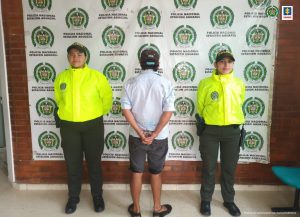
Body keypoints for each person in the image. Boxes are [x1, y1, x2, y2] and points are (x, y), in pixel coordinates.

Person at [54, 42, 113, 214]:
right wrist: (69, 115)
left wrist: (93, 114)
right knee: (73, 164)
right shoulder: (61, 78)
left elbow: (107, 100)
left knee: (94, 163)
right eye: (72, 54)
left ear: (86, 57)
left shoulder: (96, 77)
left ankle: (97, 196)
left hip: (92, 126)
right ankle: (73, 197)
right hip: (69, 127)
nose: (76, 57)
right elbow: (59, 99)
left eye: (80, 54)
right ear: (68, 57)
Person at [121, 49, 175, 217]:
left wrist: (140, 132)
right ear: (157, 63)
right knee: (156, 172)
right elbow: (168, 111)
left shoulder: (131, 83)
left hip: (137, 137)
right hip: (158, 138)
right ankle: (157, 208)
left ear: (140, 62)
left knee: (136, 172)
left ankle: (136, 210)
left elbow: (125, 110)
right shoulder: (165, 83)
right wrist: (154, 133)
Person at [196, 50, 245, 216]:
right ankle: (206, 200)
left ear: (233, 64)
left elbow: (240, 104)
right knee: (209, 168)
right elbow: (201, 107)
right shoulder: (205, 83)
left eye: (229, 62)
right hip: (210, 131)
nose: (226, 65)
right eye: (222, 62)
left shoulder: (238, 83)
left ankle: (229, 200)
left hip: (232, 132)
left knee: (229, 168)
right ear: (216, 64)